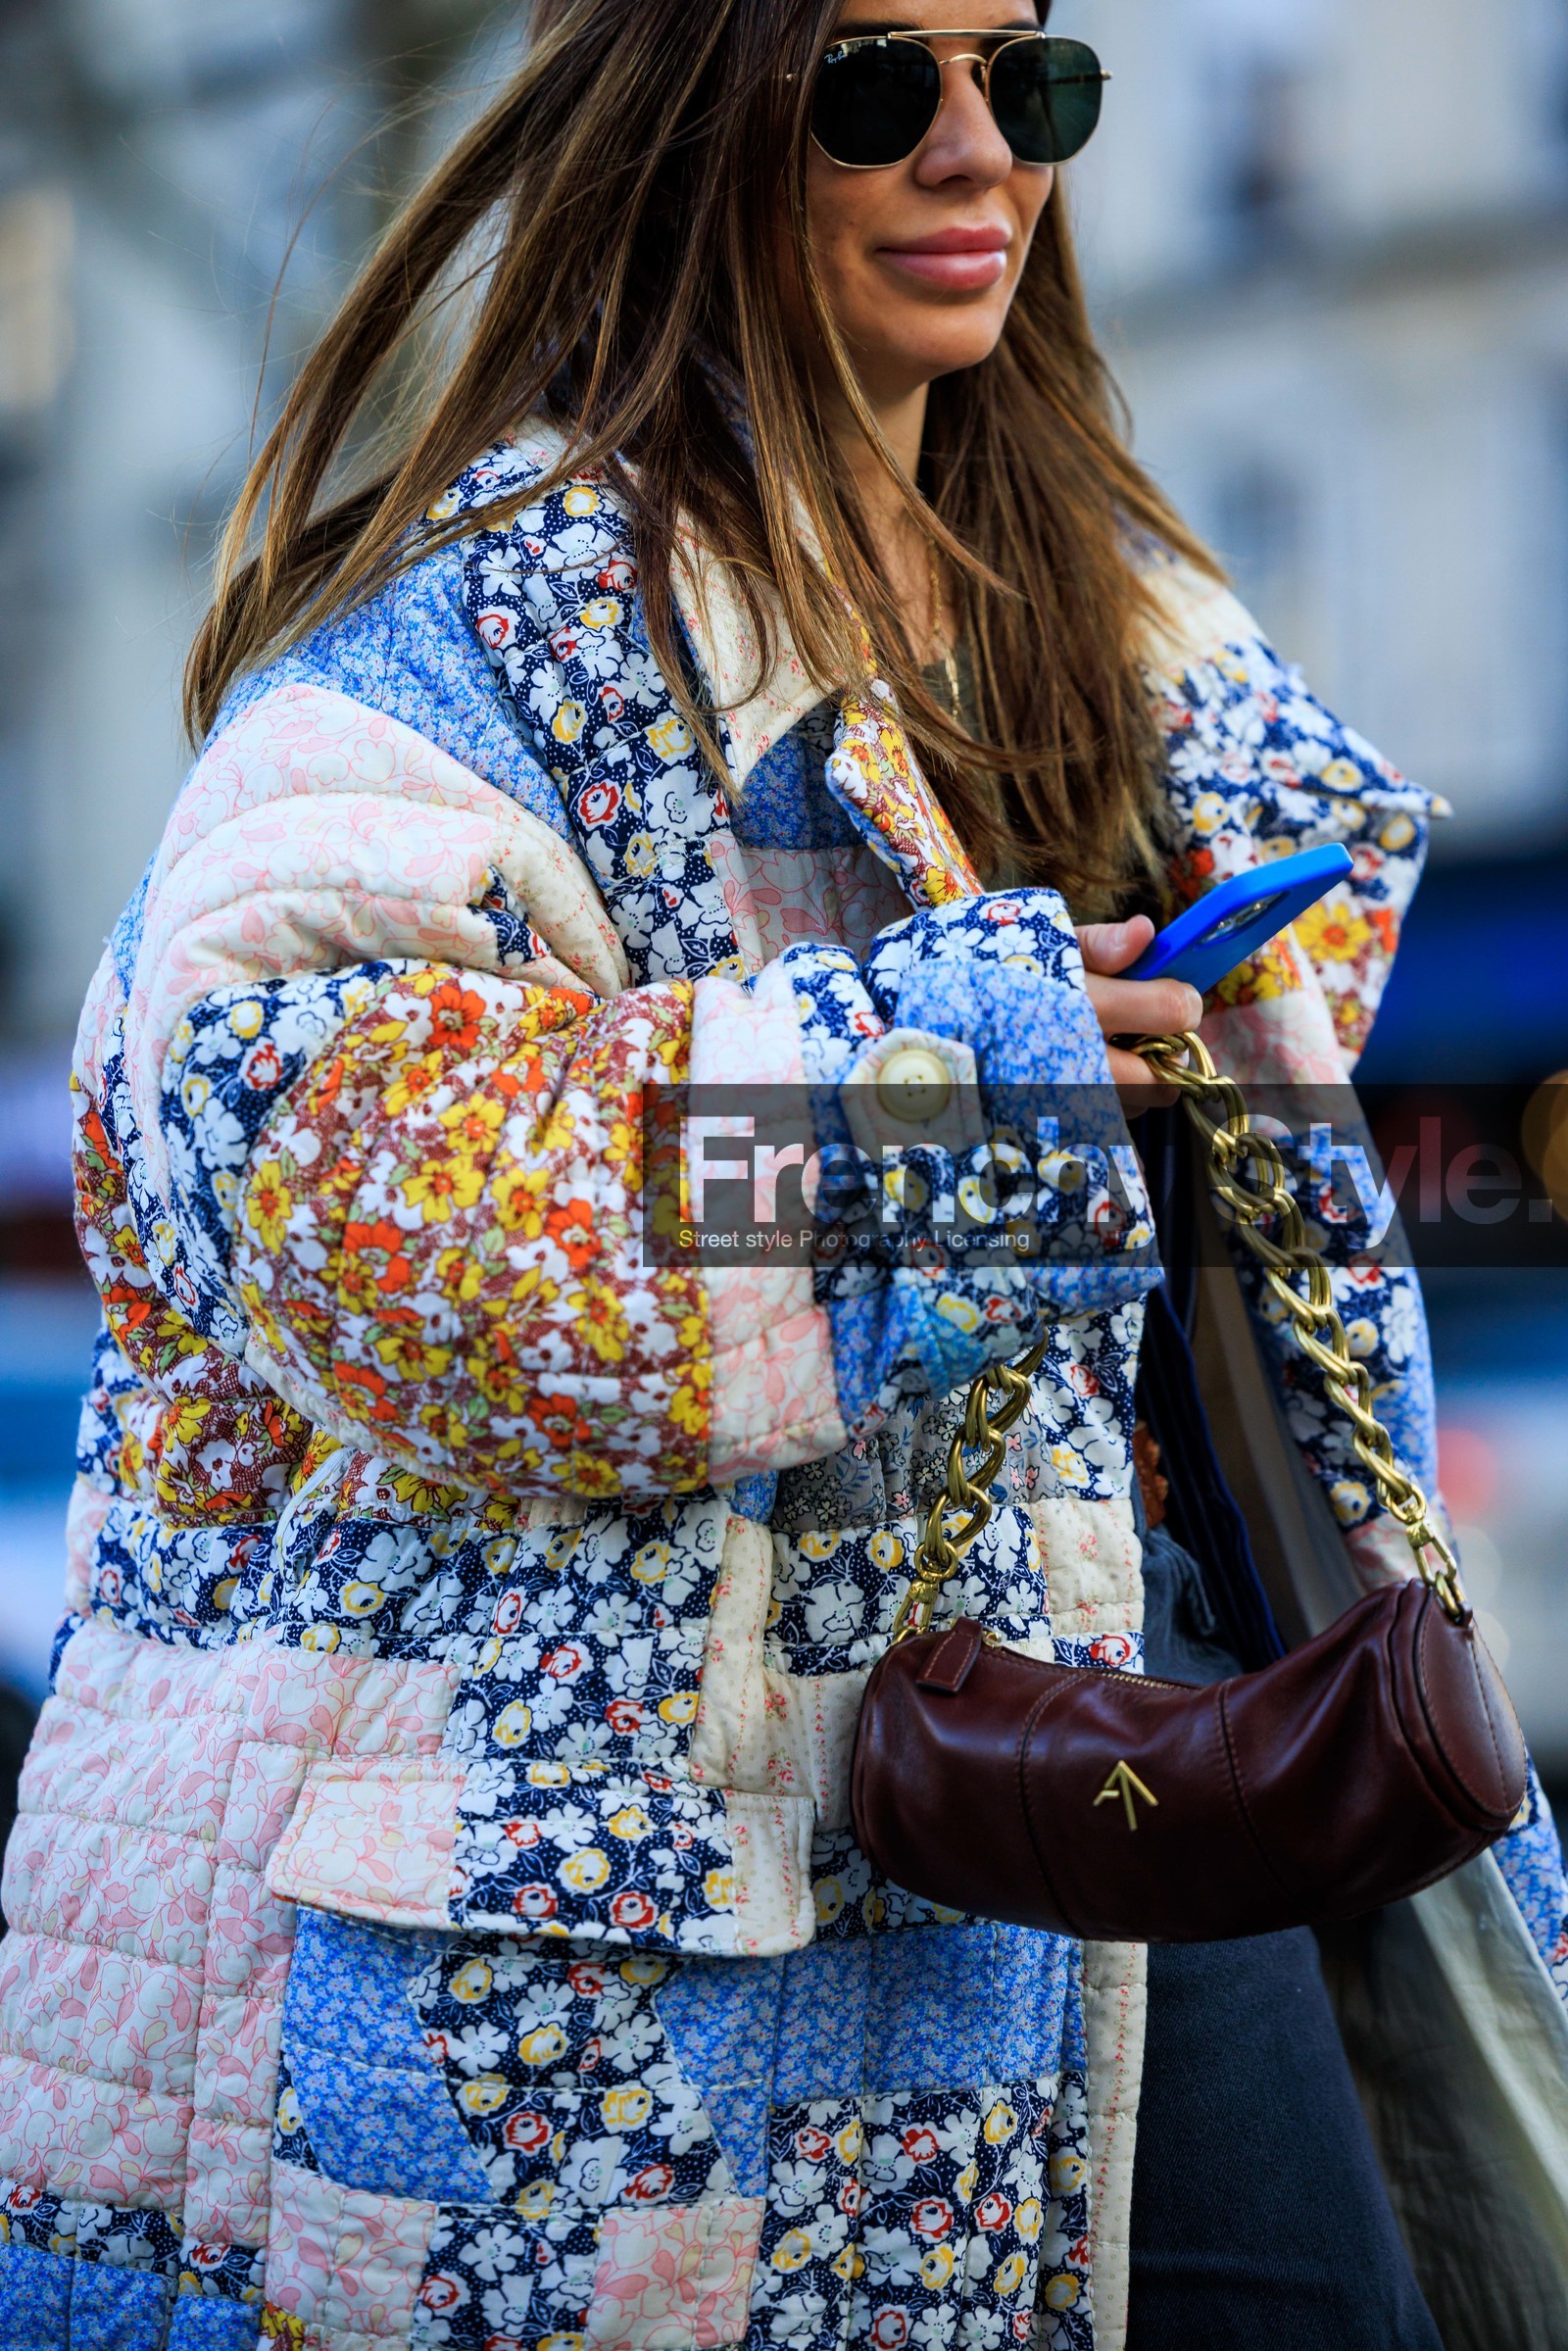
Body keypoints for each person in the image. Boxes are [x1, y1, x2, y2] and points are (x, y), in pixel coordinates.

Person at [0, 3, 1563, 2346]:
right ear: (692, 118)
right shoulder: (472, 637)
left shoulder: (1112, 642)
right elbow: (365, 1201)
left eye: (1025, 86)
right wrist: (960, 1101)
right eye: (871, 83)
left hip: (1139, 1745)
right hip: (649, 1928)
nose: (971, 152)